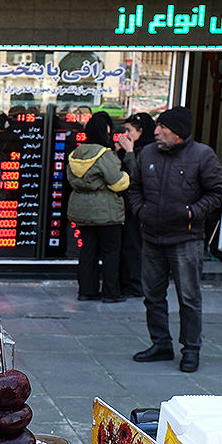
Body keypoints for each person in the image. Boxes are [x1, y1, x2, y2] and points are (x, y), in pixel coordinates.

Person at [126, 106, 222, 373]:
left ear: (179, 133)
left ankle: (191, 349)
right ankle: (160, 344)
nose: (156, 131)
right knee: (152, 296)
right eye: (158, 127)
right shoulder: (147, 153)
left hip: (186, 239)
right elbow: (134, 188)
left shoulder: (202, 156)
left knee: (189, 298)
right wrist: (141, 211)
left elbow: (218, 192)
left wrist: (192, 212)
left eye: (163, 128)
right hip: (152, 238)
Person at [67, 111, 129, 303]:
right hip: (106, 212)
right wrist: (127, 173)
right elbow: (118, 182)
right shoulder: (105, 154)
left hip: (82, 210)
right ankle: (111, 293)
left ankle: (86, 291)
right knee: (110, 253)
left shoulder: (75, 154)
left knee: (88, 252)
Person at [116, 112, 154, 297]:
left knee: (134, 246)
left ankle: (134, 285)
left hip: (139, 208)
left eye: (129, 131)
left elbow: (139, 177)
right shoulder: (132, 150)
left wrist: (129, 152)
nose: (126, 135)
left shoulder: (148, 151)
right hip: (126, 206)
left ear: (141, 132)